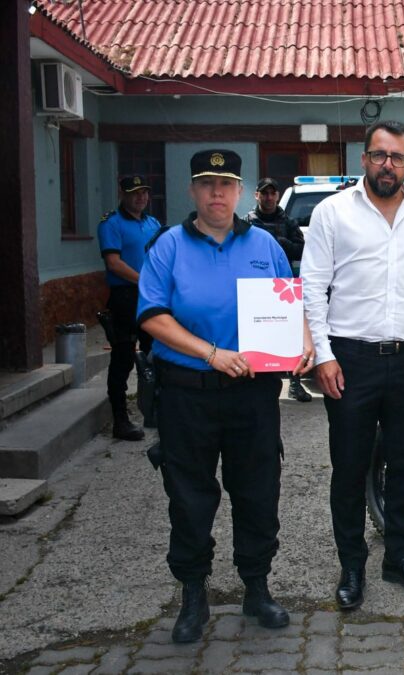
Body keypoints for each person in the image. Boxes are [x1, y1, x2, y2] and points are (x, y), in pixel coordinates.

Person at [137, 149, 314, 643]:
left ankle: (256, 588)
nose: (217, 192)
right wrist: (211, 353)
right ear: (192, 191)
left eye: (227, 184)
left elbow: (288, 301)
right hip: (187, 393)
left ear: (240, 191)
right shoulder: (168, 246)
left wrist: (303, 340)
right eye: (207, 183)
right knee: (190, 498)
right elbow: (152, 316)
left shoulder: (265, 245)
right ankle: (194, 595)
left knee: (258, 492)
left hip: (253, 394)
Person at [301, 121, 404, 610]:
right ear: (364, 159)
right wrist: (325, 355)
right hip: (350, 359)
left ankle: (399, 557)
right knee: (350, 468)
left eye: (396, 157)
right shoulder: (333, 213)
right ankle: (352, 565)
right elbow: (313, 287)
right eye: (378, 155)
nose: (387, 165)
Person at [98, 175, 162, 440]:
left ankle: (154, 411)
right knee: (123, 359)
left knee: (154, 355)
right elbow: (113, 263)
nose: (140, 198)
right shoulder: (111, 224)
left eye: (144, 193)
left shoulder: (153, 223)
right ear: (122, 194)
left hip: (151, 298)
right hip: (125, 298)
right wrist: (144, 280)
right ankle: (120, 420)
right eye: (134, 193)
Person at [246, 177, 312, 403]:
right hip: (255, 288)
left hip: (284, 287)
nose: (268, 197)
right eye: (264, 193)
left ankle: (295, 382)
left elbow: (303, 250)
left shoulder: (289, 222)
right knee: (256, 335)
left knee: (293, 334)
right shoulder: (247, 222)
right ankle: (255, 377)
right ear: (257, 195)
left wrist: (281, 243)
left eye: (272, 193)